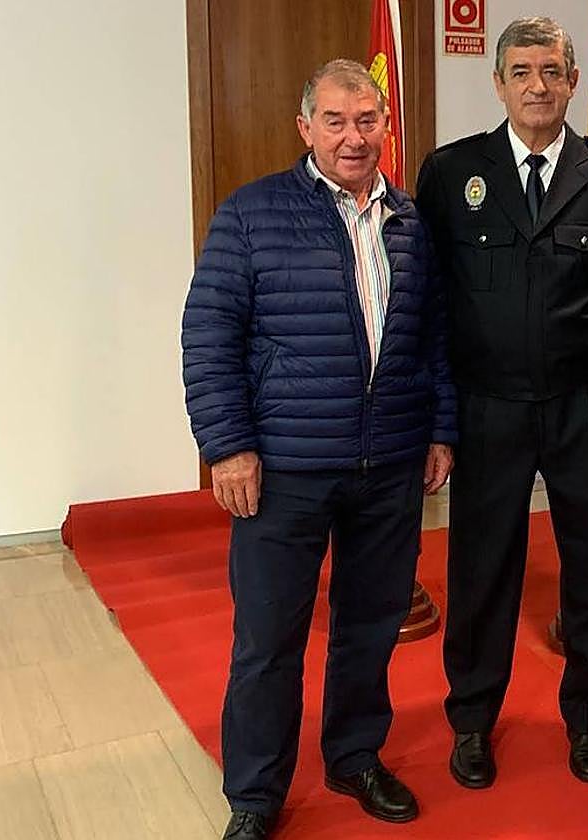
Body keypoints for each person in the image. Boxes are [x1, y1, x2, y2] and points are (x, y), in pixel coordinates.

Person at [181, 59, 456, 840]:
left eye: (367, 120)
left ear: (385, 128)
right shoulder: (251, 214)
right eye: (334, 121)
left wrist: (441, 428)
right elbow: (208, 337)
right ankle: (256, 797)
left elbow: (435, 337)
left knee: (370, 624)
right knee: (269, 638)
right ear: (305, 129)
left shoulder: (409, 221)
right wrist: (228, 446)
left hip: (391, 463)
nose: (353, 136)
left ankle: (354, 756)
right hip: (286, 470)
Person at [414, 17, 588, 789]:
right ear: (500, 83)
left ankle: (584, 719)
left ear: (573, 81)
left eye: (551, 70)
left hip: (583, 406)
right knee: (482, 570)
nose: (537, 86)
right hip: (487, 408)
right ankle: (473, 722)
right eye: (521, 71)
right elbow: (432, 302)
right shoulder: (452, 173)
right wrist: (439, 415)